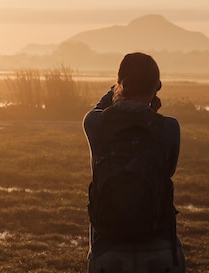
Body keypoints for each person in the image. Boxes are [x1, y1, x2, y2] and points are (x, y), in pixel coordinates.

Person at [83, 52, 185, 273]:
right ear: (156, 86)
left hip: (107, 250)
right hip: (159, 249)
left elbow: (98, 109)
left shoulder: (95, 123)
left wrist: (116, 89)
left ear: (121, 84)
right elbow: (169, 169)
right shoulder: (169, 127)